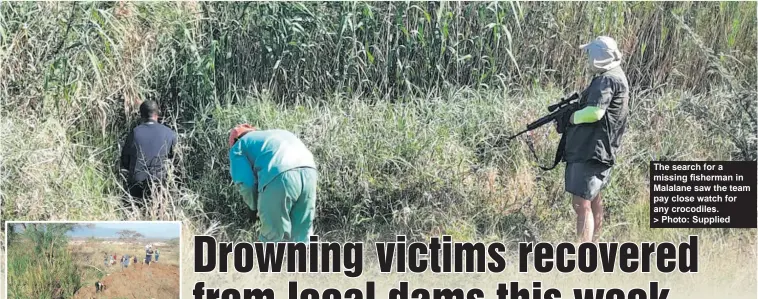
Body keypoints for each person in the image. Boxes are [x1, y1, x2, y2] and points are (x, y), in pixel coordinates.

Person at [563, 36, 629, 243]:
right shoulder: (616, 75)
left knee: (581, 203)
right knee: (593, 198)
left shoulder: (606, 79)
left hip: (593, 149)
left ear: (598, 57)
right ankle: (595, 242)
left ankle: (583, 254)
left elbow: (595, 113)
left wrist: (573, 117)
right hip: (602, 148)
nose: (588, 59)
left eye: (590, 54)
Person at [228, 125, 318, 243]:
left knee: (273, 238)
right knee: (301, 236)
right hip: (309, 171)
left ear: (234, 140)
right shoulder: (276, 134)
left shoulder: (238, 146)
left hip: (280, 175)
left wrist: (254, 208)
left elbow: (247, 184)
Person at [120, 100, 178, 204]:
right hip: (159, 185)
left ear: (141, 115)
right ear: (157, 114)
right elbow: (175, 162)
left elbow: (125, 161)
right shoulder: (170, 134)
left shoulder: (134, 133)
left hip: (136, 187)